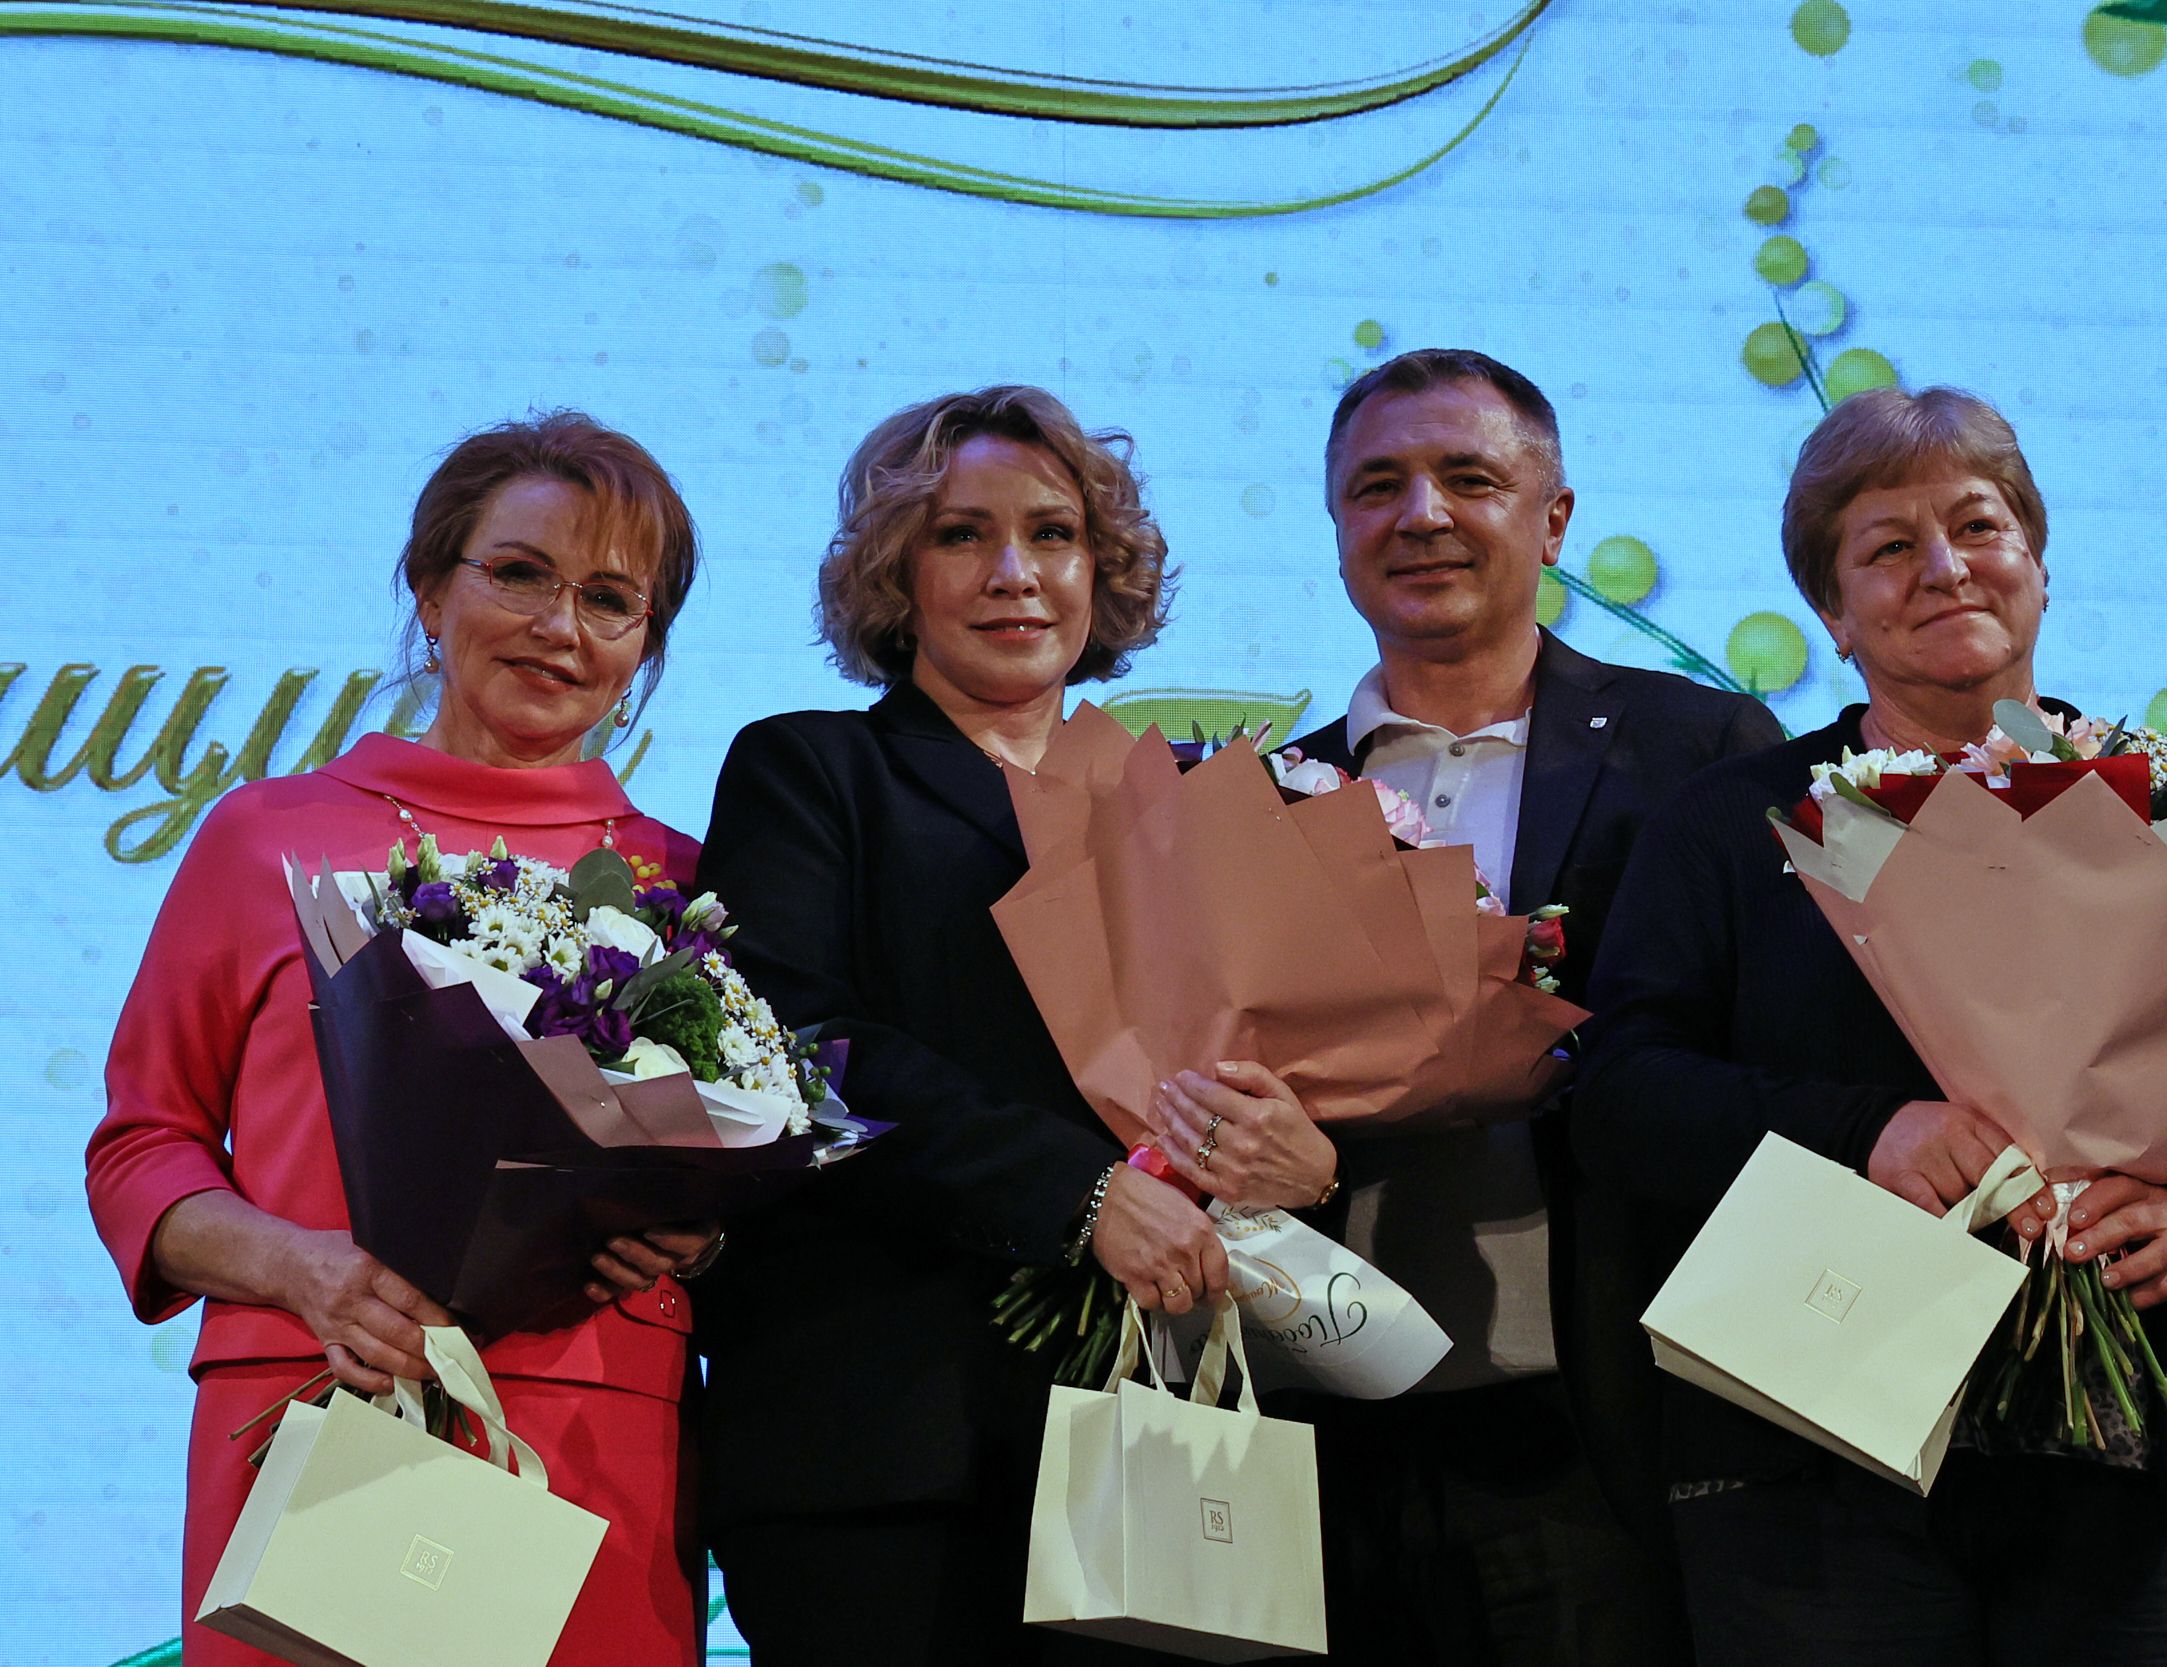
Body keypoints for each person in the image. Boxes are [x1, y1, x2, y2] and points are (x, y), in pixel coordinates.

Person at [1573, 385, 2167, 1665]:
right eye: (1887, 546)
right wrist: (1870, 1132)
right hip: (1815, 1465)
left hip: (2141, 1463)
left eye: (1978, 527)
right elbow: (1624, 1094)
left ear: (2039, 566)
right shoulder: (1735, 824)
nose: (1944, 568)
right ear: (1832, 611)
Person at [1161, 348, 1782, 1666]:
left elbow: (1753, 1056)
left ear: (1554, 520)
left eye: (1469, 478)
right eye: (1375, 485)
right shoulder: (1252, 798)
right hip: (1314, 1417)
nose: (1421, 514)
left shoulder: (1701, 750)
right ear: (1336, 525)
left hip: (1596, 1414)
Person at [85, 411, 722, 1665]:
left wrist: (700, 1237)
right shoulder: (265, 835)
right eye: (520, 573)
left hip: (600, 1428)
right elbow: (141, 1150)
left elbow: (734, 1175)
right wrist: (303, 1269)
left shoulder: (681, 881)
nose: (560, 627)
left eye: (610, 599)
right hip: (319, 1392)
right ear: (431, 592)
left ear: (644, 644)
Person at [693, 386, 1308, 1665]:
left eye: (1053, 534)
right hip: (886, 1449)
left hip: (1151, 1434)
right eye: (961, 534)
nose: (1014, 573)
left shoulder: (1191, 805)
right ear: (894, 573)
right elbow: (793, 1038)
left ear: (1103, 569)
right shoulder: (810, 769)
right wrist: (1081, 1192)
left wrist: (1296, 1150)